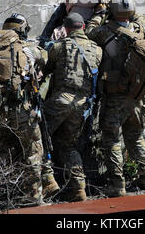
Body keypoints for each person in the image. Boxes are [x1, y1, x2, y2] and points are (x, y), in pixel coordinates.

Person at [0, 13, 59, 206]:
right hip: (22, 112)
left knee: (2, 150)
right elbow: (43, 57)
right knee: (34, 152)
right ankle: (33, 198)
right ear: (22, 30)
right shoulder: (27, 50)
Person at [86, 0, 145, 197]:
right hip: (138, 96)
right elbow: (140, 18)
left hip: (115, 96)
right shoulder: (140, 28)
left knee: (112, 140)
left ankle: (117, 184)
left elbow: (89, 31)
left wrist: (101, 12)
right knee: (136, 137)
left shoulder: (105, 31)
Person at [42, 12, 103, 202]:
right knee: (69, 145)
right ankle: (78, 188)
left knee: (41, 139)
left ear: (66, 29)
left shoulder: (59, 47)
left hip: (60, 100)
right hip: (82, 105)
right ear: (83, 27)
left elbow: (46, 68)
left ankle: (47, 182)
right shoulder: (97, 50)